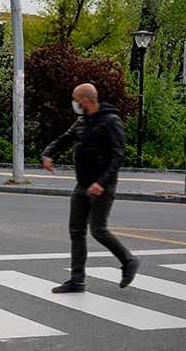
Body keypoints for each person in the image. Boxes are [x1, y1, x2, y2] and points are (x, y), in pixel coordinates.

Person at [40, 83, 139, 293]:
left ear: (85, 100)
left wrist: (101, 183)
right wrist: (48, 154)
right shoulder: (82, 120)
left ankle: (128, 261)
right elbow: (65, 139)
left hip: (102, 186)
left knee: (98, 230)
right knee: (76, 231)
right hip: (83, 184)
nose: (73, 103)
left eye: (75, 99)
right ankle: (77, 280)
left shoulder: (111, 121)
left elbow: (117, 155)